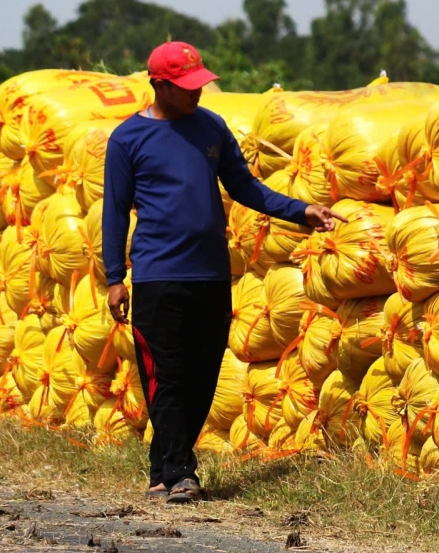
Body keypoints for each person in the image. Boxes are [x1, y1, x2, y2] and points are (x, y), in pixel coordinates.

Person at [102, 41, 344, 504]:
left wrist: (301, 210)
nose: (197, 92)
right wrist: (115, 277)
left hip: (211, 275)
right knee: (165, 375)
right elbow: (114, 212)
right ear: (159, 85)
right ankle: (181, 472)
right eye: (186, 86)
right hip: (158, 276)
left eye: (199, 84)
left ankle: (162, 469)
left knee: (202, 376)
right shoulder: (128, 139)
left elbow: (246, 187)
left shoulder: (211, 127)